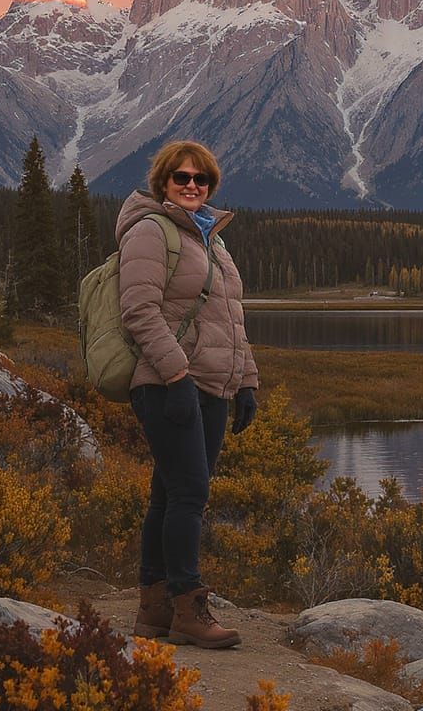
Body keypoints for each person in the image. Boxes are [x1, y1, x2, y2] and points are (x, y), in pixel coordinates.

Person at [116, 139, 258, 648]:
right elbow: (139, 311)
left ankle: (153, 612)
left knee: (170, 492)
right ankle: (187, 607)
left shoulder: (213, 241)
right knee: (191, 492)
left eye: (201, 179)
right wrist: (176, 378)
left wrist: (247, 383)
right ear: (163, 183)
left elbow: (232, 321)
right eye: (182, 177)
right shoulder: (151, 231)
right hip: (168, 384)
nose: (193, 185)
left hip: (214, 386)